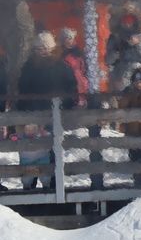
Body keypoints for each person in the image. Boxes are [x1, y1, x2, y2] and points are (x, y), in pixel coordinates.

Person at [16, 32, 79, 190]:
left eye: (45, 48)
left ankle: (53, 185)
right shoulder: (29, 66)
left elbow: (71, 87)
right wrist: (25, 112)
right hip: (34, 114)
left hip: (56, 113)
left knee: (54, 150)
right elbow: (22, 90)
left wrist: (67, 104)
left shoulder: (61, 66)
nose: (42, 51)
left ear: (51, 48)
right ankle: (30, 184)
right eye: (38, 48)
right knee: (33, 152)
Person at [105, 2, 141, 90]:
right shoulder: (115, 37)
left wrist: (138, 44)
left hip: (139, 75)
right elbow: (108, 60)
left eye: (130, 21)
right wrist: (116, 54)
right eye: (125, 21)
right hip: (120, 75)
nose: (128, 25)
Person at [58, 28, 89, 107]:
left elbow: (84, 68)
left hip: (82, 83)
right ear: (63, 41)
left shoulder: (79, 53)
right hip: (69, 85)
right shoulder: (61, 55)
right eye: (66, 39)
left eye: (70, 38)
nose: (68, 41)